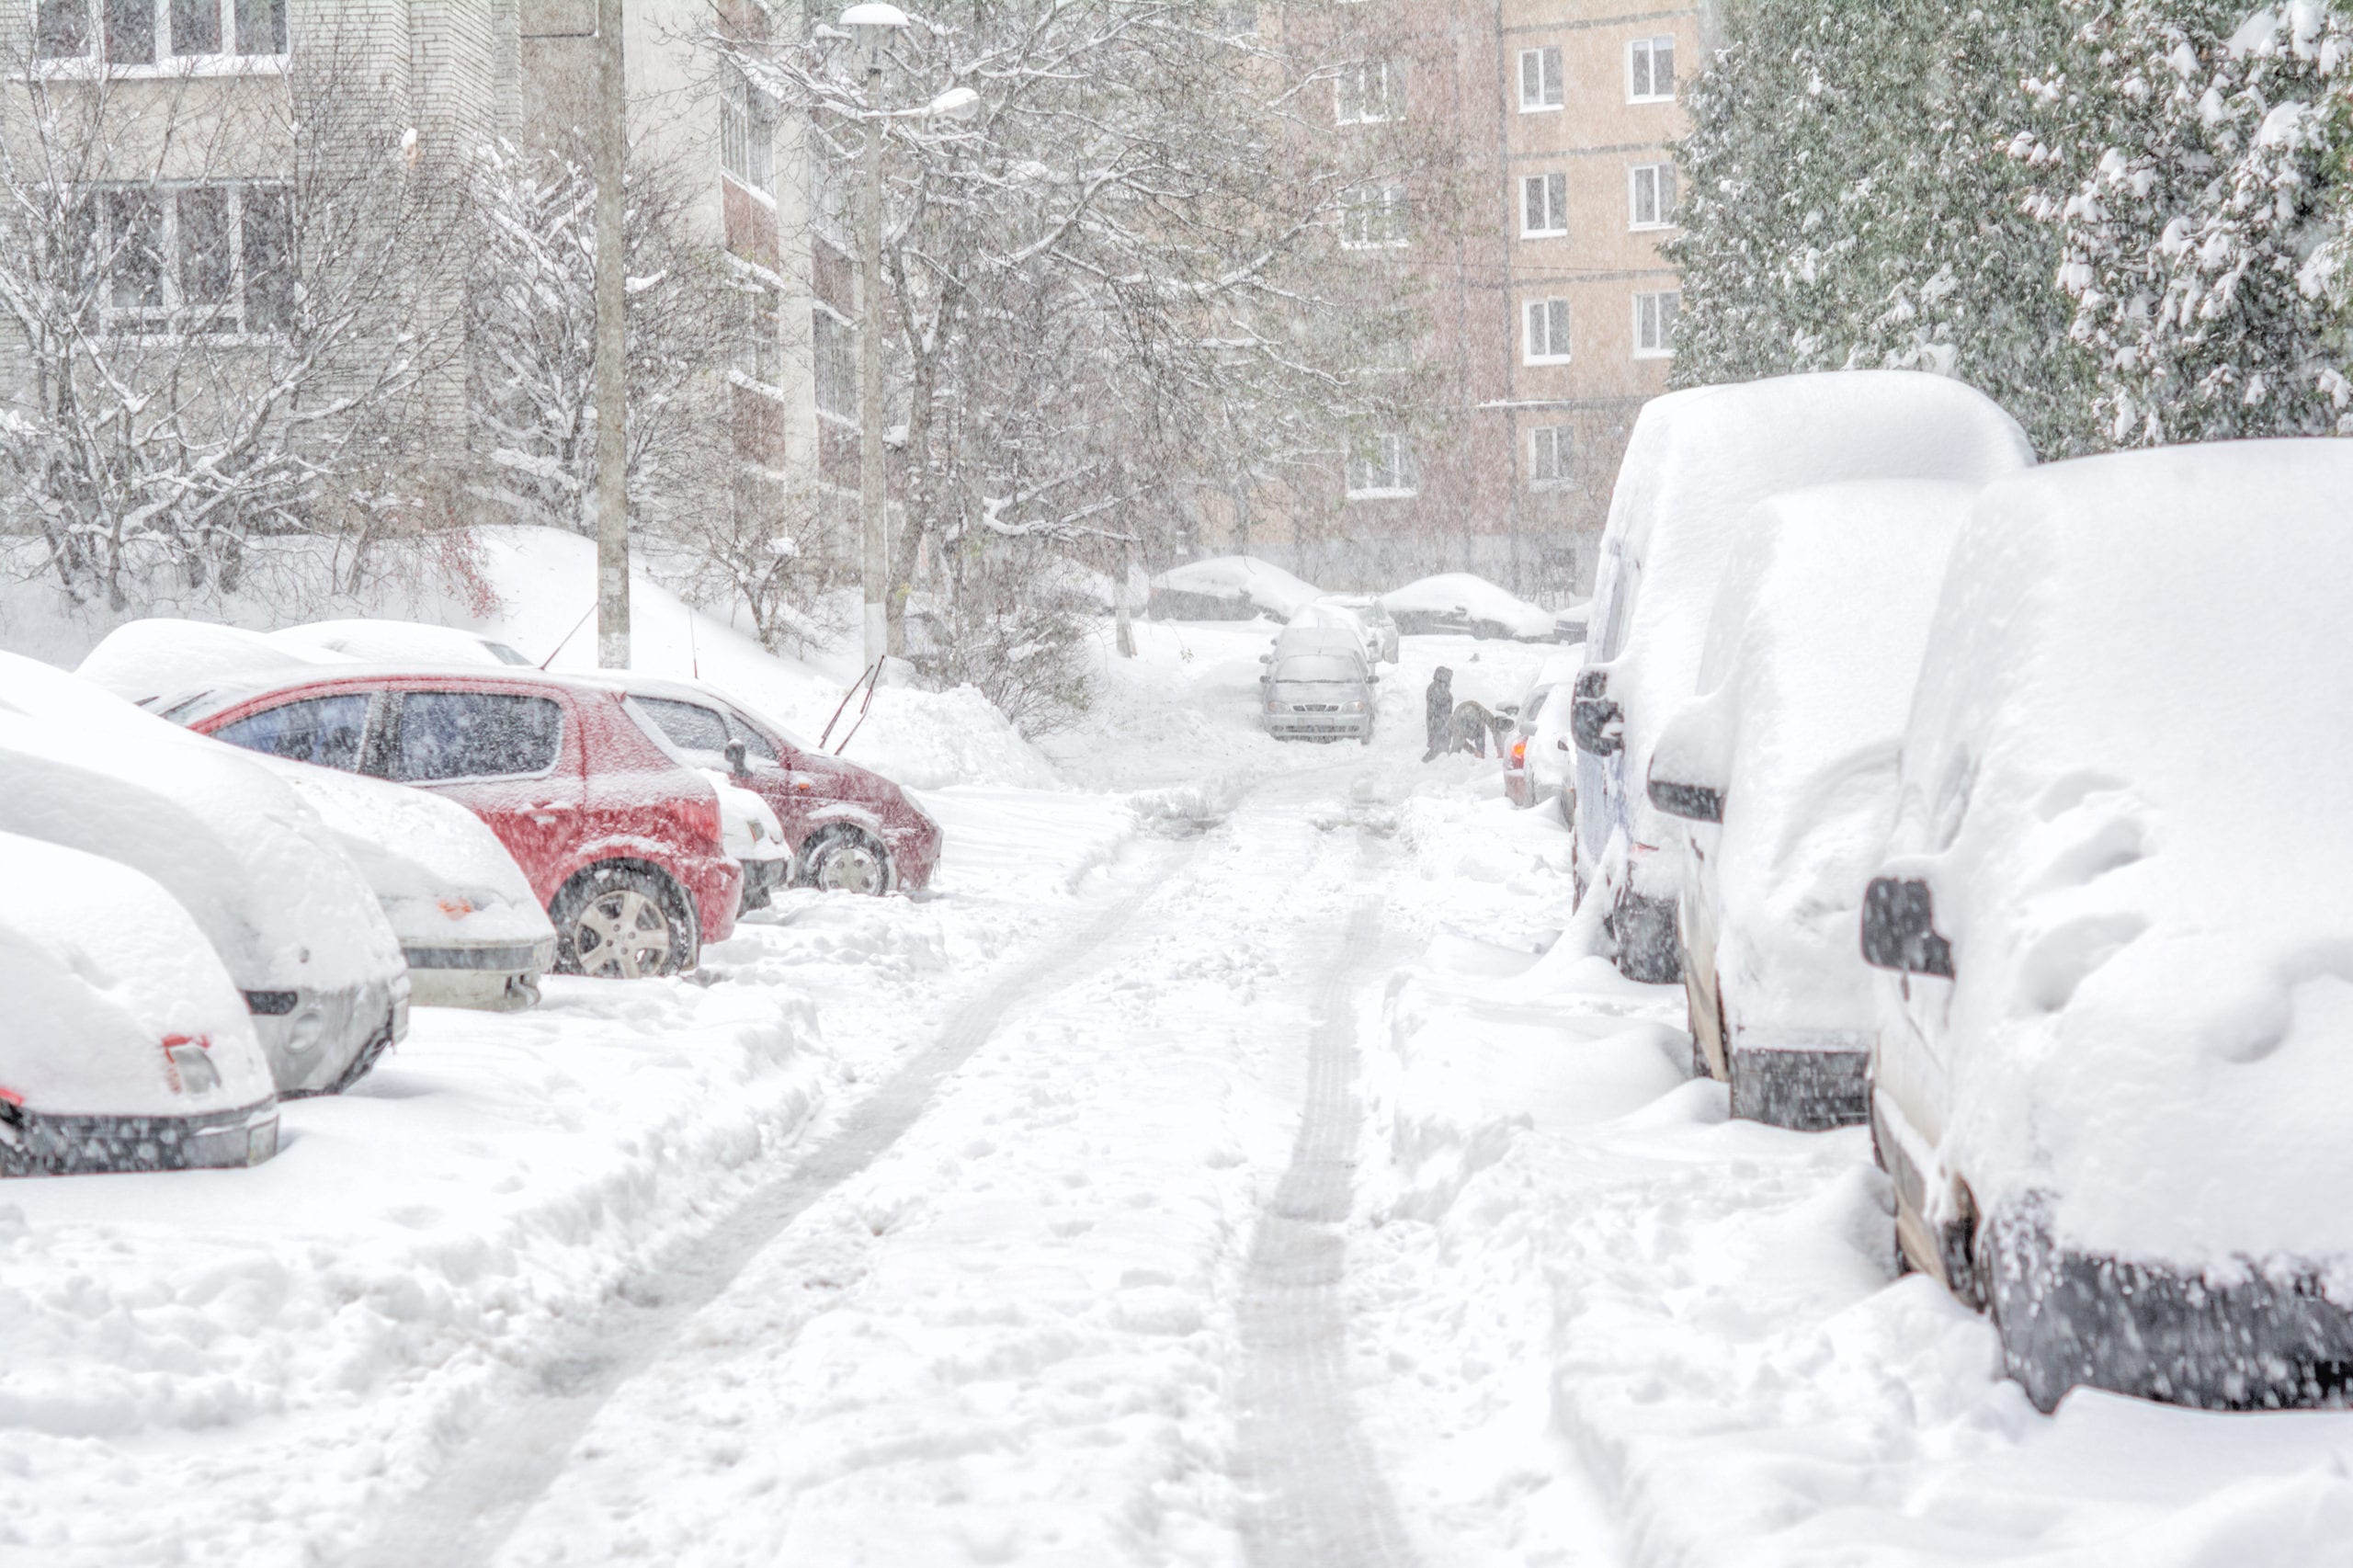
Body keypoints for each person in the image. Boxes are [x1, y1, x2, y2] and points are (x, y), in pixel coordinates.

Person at [1423, 666, 1454, 761]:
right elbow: (1444, 715)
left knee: (1437, 752)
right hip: (1439, 728)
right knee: (1438, 752)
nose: (1449, 684)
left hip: (1437, 728)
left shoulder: (1433, 689)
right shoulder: (1440, 693)